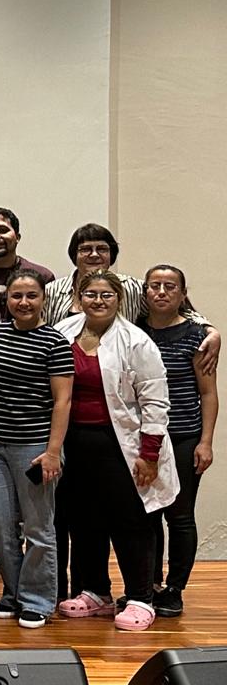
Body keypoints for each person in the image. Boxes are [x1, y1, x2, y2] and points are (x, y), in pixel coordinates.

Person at [53, 272, 176, 631]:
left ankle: (140, 597)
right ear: (79, 297)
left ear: (119, 299)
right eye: (90, 294)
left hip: (122, 446)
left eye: (106, 295)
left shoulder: (136, 341)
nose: (98, 301)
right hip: (74, 444)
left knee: (130, 522)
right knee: (84, 520)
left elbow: (155, 400)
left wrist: (149, 454)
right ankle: (95, 591)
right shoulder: (63, 333)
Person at [0, 269, 72, 628]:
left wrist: (53, 452)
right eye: (17, 296)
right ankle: (12, 593)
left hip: (34, 446)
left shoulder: (55, 342)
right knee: (0, 526)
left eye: (31, 295)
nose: (24, 302)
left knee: (38, 527)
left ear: (43, 300)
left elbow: (62, 402)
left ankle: (38, 600)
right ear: (7, 301)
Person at [142, 264, 218, 616]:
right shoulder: (133, 332)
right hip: (144, 440)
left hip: (185, 436)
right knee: (147, 515)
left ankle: (175, 588)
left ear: (182, 294)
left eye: (169, 286)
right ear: (144, 293)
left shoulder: (197, 336)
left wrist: (206, 442)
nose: (161, 292)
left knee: (180, 516)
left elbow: (208, 393)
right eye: (154, 285)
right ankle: (149, 584)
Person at [43, 226, 220, 366]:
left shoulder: (132, 288)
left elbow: (171, 306)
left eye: (102, 249)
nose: (94, 254)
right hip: (63, 377)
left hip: (118, 378)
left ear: (111, 256)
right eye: (86, 249)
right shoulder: (51, 291)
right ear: (74, 255)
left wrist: (209, 329)